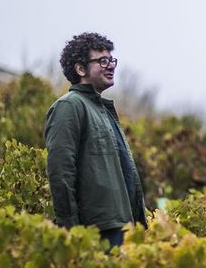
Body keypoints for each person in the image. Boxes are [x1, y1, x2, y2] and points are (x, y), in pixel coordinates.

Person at [45, 32, 146, 249]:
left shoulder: (102, 109)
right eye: (102, 61)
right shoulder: (69, 106)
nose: (110, 66)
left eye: (111, 60)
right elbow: (61, 172)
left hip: (121, 226)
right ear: (80, 69)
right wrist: (71, 232)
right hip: (97, 231)